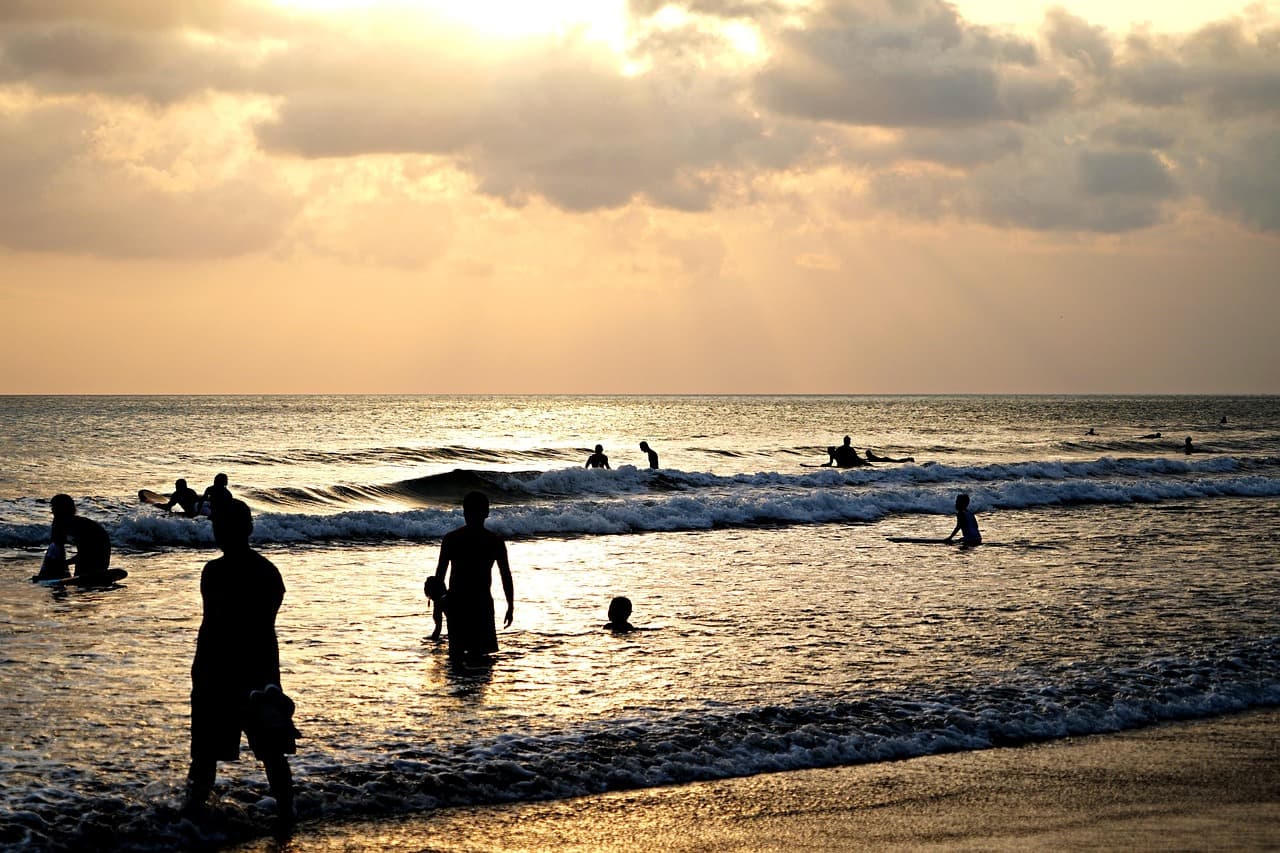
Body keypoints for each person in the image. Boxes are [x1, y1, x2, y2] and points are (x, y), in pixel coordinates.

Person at [184, 499, 298, 824]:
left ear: (245, 528)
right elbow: (258, 629)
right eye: (218, 525)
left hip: (226, 674)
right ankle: (286, 818)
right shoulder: (266, 572)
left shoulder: (216, 572)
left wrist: (201, 674)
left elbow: (215, 628)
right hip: (254, 673)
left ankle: (190, 824)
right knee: (270, 754)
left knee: (208, 757)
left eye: (223, 525)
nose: (220, 531)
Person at [432, 491, 513, 661]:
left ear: (464, 512)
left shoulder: (451, 539)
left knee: (456, 659)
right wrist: (510, 605)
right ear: (487, 513)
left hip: (457, 605)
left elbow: (439, 578)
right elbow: (505, 576)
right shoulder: (495, 541)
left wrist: (439, 608)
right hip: (482, 605)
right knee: (482, 661)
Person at [49, 494, 111, 578]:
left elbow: (86, 553)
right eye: (52, 508)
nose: (52, 511)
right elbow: (56, 545)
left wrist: (65, 563)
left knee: (82, 570)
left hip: (98, 553)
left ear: (64, 509)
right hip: (86, 554)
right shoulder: (59, 523)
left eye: (55, 508)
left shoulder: (83, 526)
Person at [423, 575, 447, 642]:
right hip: (441, 601)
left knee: (438, 624)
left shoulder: (434, 585)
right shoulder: (440, 584)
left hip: (440, 602)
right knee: (438, 624)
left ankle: (435, 638)